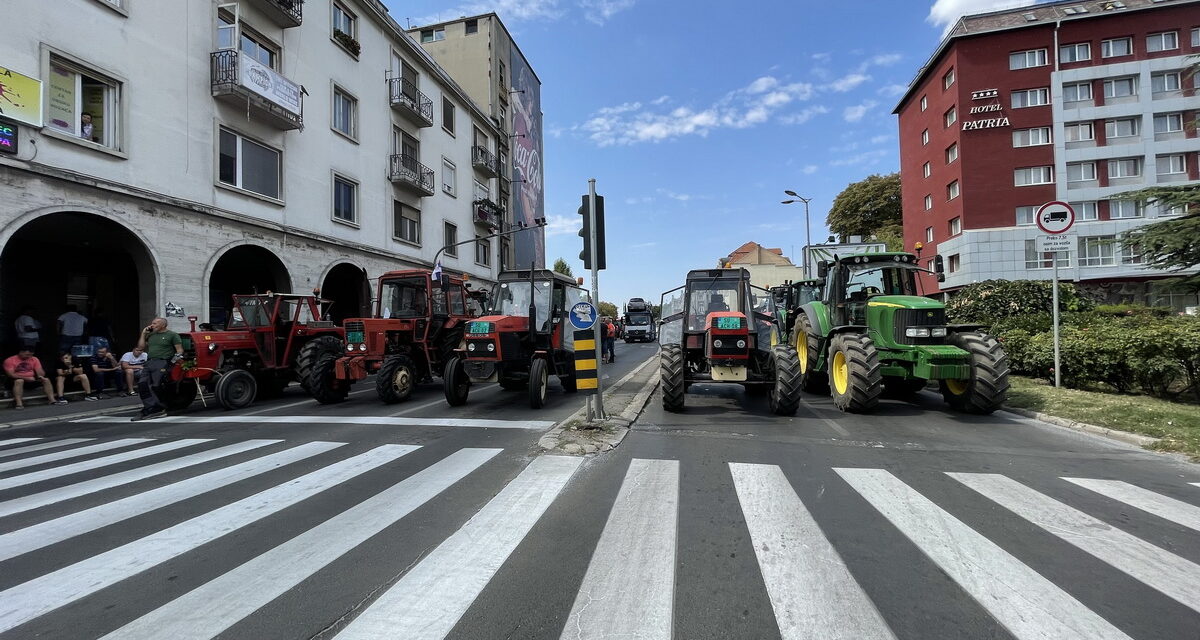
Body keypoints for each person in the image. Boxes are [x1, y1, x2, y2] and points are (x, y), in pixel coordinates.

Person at [134, 317, 183, 421]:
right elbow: (140, 348)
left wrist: (172, 362)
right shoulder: (151, 335)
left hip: (163, 362)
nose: (152, 325)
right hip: (150, 361)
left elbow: (179, 351)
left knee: (156, 385)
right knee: (142, 384)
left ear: (163, 325)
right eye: (152, 323)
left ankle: (158, 408)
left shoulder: (172, 335)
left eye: (155, 323)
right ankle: (150, 407)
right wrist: (143, 333)